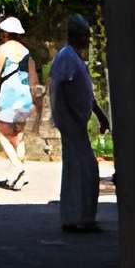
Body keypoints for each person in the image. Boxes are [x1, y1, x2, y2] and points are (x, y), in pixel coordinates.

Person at [49, 13, 109, 232]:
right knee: (80, 169)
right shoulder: (66, 57)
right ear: (77, 35)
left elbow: (86, 94)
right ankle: (76, 218)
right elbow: (59, 90)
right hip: (72, 123)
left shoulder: (73, 57)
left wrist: (99, 114)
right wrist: (68, 117)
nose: (88, 40)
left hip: (77, 123)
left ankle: (80, 217)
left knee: (84, 169)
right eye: (86, 35)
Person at [0, 15, 40, 191]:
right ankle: (17, 178)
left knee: (3, 135)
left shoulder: (4, 48)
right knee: (18, 136)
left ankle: (18, 167)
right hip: (24, 98)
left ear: (6, 33)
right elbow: (33, 81)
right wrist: (36, 103)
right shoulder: (27, 53)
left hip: (9, 96)